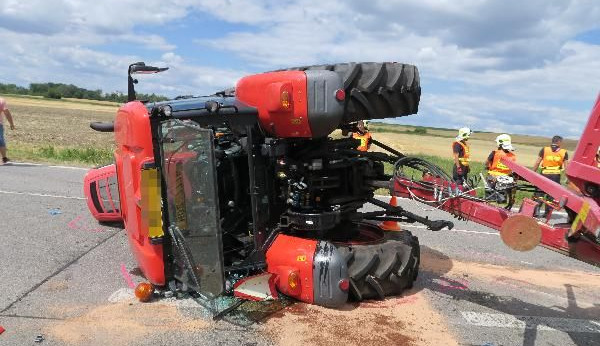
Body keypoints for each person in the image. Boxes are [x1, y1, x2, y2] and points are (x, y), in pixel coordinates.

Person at [532, 135, 569, 217]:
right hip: (555, 177)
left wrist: (532, 173)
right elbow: (566, 167)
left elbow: (538, 162)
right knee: (551, 195)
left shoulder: (544, 149)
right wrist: (568, 179)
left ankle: (536, 211)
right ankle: (547, 213)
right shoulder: (563, 152)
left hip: (544, 175)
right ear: (559, 142)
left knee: (539, 193)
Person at [486, 134, 517, 209]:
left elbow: (487, 163)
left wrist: (488, 168)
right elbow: (513, 169)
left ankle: (489, 210)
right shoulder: (513, 156)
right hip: (506, 179)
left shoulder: (495, 153)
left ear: (500, 143)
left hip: (492, 177)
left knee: (490, 198)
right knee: (502, 198)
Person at [0, 97, 16, 164]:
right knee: (1, 141)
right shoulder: (1, 100)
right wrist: (11, 124)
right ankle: (4, 158)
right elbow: (7, 112)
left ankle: (4, 158)